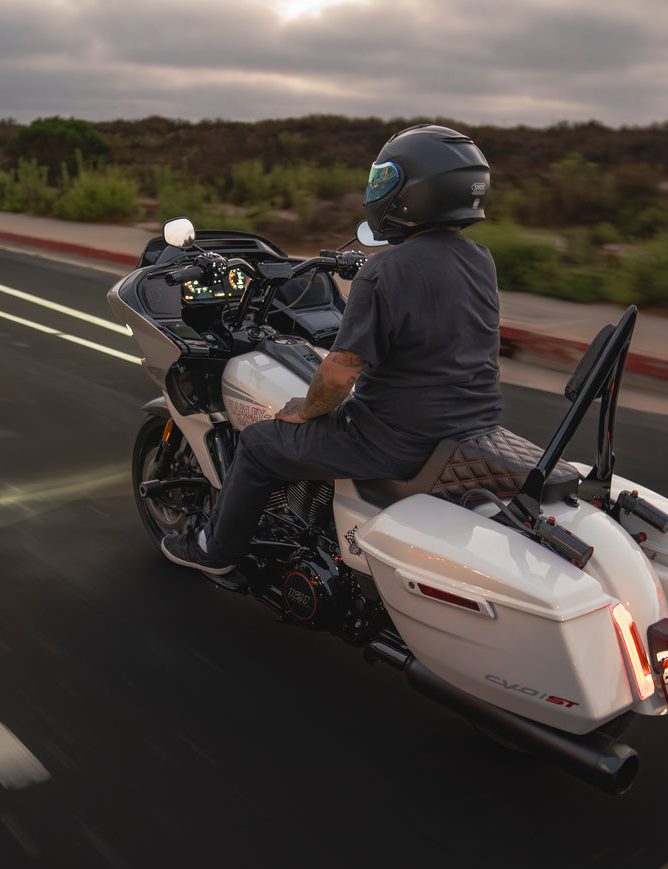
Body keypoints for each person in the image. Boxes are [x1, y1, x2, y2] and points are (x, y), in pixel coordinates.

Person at [162, 124, 502, 575]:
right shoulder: (480, 260)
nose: (378, 190)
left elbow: (340, 374)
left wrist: (304, 409)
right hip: (470, 428)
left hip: (395, 441)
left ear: (416, 193)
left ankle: (215, 550)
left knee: (260, 442)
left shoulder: (386, 270)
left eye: (387, 179)